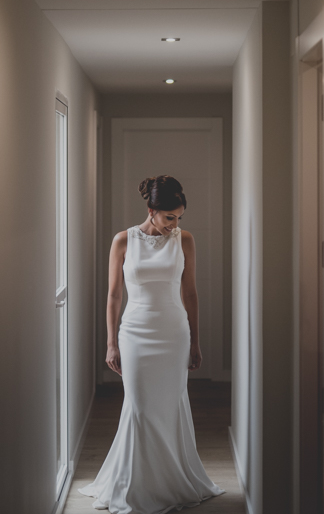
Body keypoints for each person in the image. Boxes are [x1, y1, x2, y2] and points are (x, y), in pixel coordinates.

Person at [78, 175, 225, 513]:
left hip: (173, 333)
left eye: (179, 217)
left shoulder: (184, 240)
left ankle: (169, 481)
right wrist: (111, 342)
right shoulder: (123, 241)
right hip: (135, 332)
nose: (175, 224)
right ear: (151, 210)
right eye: (170, 217)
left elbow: (190, 293)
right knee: (140, 407)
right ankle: (134, 487)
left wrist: (196, 342)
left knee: (169, 406)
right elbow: (114, 296)